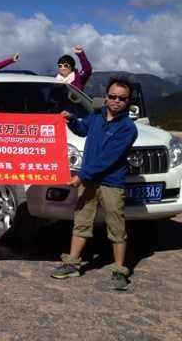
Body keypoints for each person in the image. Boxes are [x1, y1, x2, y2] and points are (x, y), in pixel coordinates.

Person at [51, 77, 138, 291]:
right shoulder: (96, 116)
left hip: (111, 183)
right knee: (81, 220)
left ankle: (119, 270)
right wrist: (71, 120)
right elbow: (82, 129)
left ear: (128, 101)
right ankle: (72, 263)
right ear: (106, 96)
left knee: (116, 226)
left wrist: (81, 176)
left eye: (122, 98)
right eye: (113, 96)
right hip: (89, 180)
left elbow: (108, 158)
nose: (116, 101)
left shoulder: (128, 128)